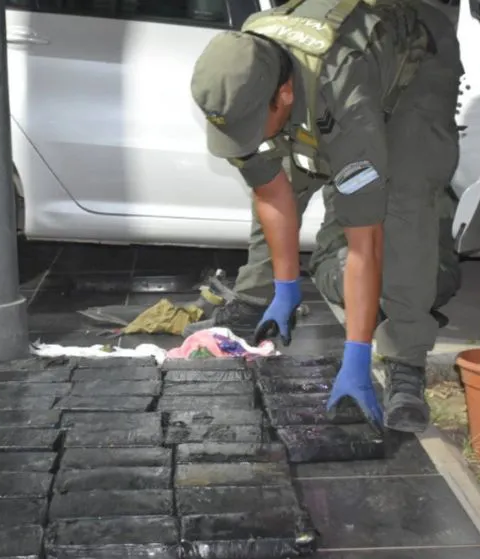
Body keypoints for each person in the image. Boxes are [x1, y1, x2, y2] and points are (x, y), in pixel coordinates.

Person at [189, 0, 463, 433]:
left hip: (417, 64)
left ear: (284, 96)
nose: (242, 141)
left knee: (405, 204)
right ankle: (259, 299)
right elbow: (272, 191)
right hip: (332, 78)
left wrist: (355, 355)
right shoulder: (244, 77)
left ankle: (405, 358)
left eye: (250, 126)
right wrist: (284, 289)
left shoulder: (346, 101)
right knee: (283, 166)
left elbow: (365, 242)